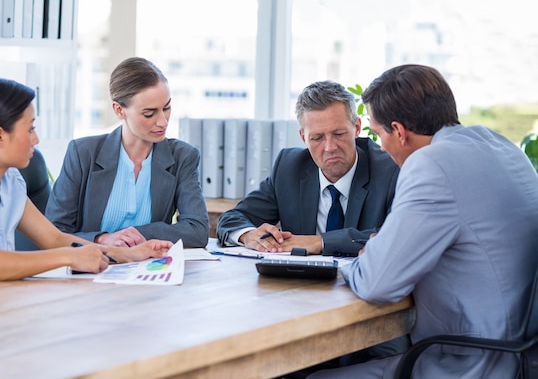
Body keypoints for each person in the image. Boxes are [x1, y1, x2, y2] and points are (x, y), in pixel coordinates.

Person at [307, 64, 538, 379]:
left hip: (472, 363)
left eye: (378, 134)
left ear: (399, 132)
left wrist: (368, 258)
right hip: (522, 354)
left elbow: (377, 284)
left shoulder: (431, 164)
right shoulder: (501, 146)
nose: (380, 147)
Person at [0, 78, 172, 281]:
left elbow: (54, 239)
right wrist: (68, 257)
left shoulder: (10, 180)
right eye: (30, 129)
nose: (36, 139)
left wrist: (128, 254)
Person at [217, 80, 399, 257]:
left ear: (357, 128)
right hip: (299, 284)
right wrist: (248, 235)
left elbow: (395, 237)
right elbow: (233, 218)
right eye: (317, 138)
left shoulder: (391, 170)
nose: (330, 147)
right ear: (303, 137)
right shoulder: (289, 167)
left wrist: (320, 242)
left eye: (339, 134)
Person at [45, 57, 209, 248]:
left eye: (166, 108)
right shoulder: (83, 154)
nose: (163, 121)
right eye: (149, 113)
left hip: (149, 269)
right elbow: (54, 232)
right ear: (119, 110)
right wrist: (102, 239)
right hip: (91, 269)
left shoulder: (183, 157)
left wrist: (134, 236)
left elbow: (197, 231)